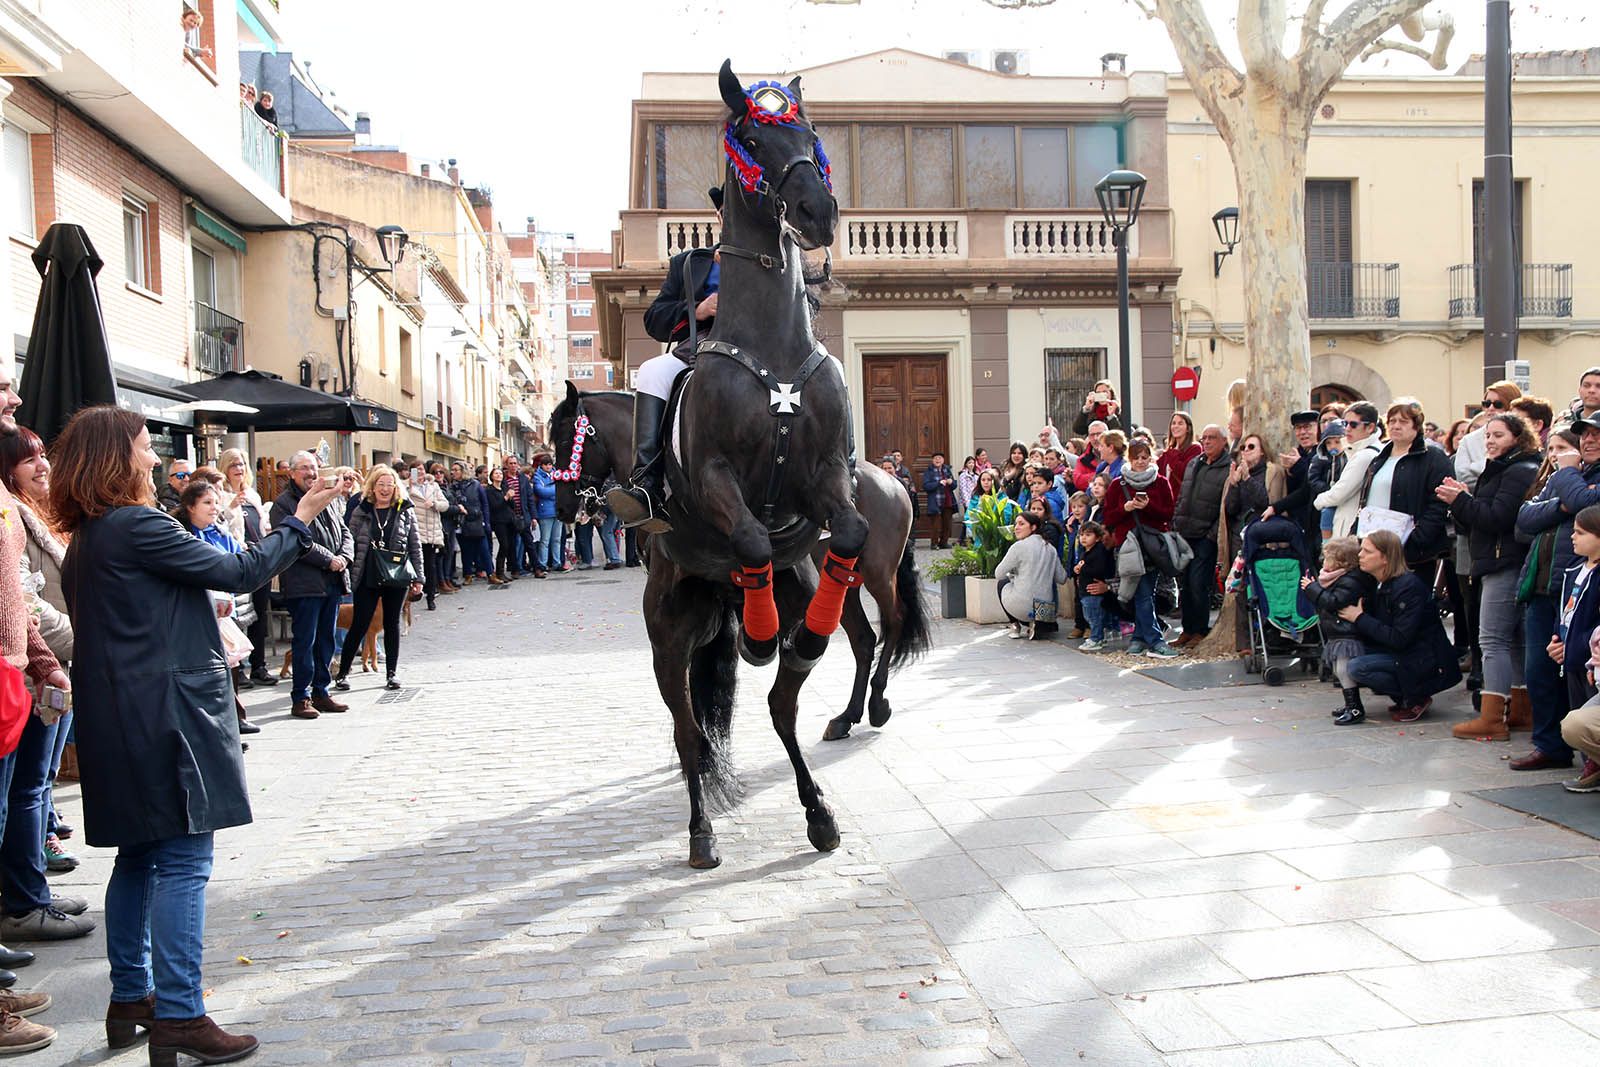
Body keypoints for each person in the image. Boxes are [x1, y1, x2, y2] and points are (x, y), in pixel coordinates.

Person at [51, 404, 341, 1066]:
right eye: (142, 447)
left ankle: (134, 997)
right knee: (182, 859)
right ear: (115, 458)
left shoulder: (95, 535)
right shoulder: (137, 526)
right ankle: (180, 1011)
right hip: (166, 716)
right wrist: (299, 519)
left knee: (139, 857)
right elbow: (239, 573)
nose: (153, 457)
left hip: (123, 715)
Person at [610, 187, 723, 530]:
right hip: (702, 345)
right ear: (720, 217)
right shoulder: (689, 264)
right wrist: (698, 309)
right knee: (651, 371)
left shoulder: (778, 260)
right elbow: (655, 318)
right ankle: (647, 486)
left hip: (763, 348)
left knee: (829, 366)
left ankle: (837, 480)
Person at [1, 430, 79, 873]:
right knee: (27, 787)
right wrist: (81, 638)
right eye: (29, 460)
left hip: (53, 665)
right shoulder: (12, 518)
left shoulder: (43, 517)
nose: (43, 466)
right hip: (30, 672)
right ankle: (26, 893)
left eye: (43, 456)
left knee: (40, 782)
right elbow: (24, 603)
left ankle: (31, 884)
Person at [1439, 412, 1542, 741]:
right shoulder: (1503, 468)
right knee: (1510, 642)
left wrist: (1462, 500)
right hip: (1497, 561)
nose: (1490, 441)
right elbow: (1475, 520)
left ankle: (1493, 718)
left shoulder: (1518, 470)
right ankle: (1521, 711)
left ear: (1517, 437)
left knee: (1492, 641)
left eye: (1498, 435)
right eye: (1487, 436)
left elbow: (1498, 518)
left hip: (1505, 562)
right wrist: (1461, 502)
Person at [1514, 425, 1600, 771]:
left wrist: (1567, 478)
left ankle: (1588, 755)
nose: (1589, 441)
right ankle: (1549, 745)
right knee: (1538, 670)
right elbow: (1523, 520)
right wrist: (1564, 499)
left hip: (1584, 585)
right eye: (1586, 436)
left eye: (1597, 435)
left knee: (1580, 668)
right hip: (1543, 584)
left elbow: (1585, 505)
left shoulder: (1568, 471)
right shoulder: (1573, 474)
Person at [1337, 530, 1462, 722]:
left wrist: (1360, 618)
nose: (1360, 555)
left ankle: (1415, 697)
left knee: (1357, 667)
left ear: (1385, 558)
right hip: (1406, 654)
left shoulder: (1407, 587)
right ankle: (1404, 697)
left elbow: (1400, 638)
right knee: (1343, 652)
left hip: (1425, 660)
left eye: (1367, 551)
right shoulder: (1380, 583)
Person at [269, 451, 352, 720]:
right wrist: (329, 559)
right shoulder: (283, 504)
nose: (311, 473)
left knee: (326, 640)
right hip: (304, 584)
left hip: (331, 582)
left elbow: (345, 530)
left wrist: (344, 557)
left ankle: (321, 690)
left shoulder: (326, 498)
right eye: (304, 468)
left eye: (314, 468)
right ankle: (301, 697)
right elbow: (296, 540)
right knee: (306, 641)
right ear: (292, 473)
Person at [334, 466, 424, 691]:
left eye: (389, 484)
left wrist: (419, 578)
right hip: (368, 572)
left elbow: (415, 544)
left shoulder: (405, 510)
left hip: (397, 573)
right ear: (372, 487)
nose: (385, 489)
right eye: (380, 484)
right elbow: (349, 540)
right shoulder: (361, 510)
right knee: (360, 622)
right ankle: (343, 673)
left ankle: (391, 674)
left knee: (391, 623)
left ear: (396, 487)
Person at [1101, 438, 1179, 659]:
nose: (1141, 462)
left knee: (1145, 592)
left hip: (1152, 545)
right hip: (1127, 545)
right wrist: (1125, 508)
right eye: (1137, 458)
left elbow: (1168, 513)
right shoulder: (1118, 484)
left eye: (1145, 457)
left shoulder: (1161, 482)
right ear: (1130, 459)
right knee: (1136, 592)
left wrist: (1149, 507)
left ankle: (1148, 639)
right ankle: (1146, 638)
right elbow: (1108, 517)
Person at [1358, 398, 1453, 566]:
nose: (1395, 426)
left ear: (1416, 425)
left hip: (1411, 551)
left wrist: (1416, 537)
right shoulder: (1379, 458)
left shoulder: (1433, 458)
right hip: (1373, 547)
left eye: (1403, 421)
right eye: (1392, 421)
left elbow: (1440, 503)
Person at [216, 449, 274, 691]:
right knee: (240, 615)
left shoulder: (252, 495)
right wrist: (230, 506)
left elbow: (260, 525)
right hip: (238, 560)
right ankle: (239, 668)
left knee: (259, 614)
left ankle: (259, 665)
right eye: (233, 465)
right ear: (225, 469)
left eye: (241, 464)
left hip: (258, 558)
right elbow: (218, 524)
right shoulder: (220, 495)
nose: (238, 469)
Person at [1301, 536, 1375, 724]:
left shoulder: (1350, 581)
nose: (1323, 562)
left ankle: (1355, 708)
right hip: (1338, 632)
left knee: (1344, 670)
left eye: (1327, 559)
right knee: (1338, 669)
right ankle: (1349, 703)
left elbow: (1333, 602)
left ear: (1340, 562)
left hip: (1347, 633)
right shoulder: (1337, 579)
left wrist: (1312, 589)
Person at [1172, 423, 1231, 647]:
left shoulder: (1227, 467)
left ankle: (1200, 629)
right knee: (1185, 584)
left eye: (1212, 438)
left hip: (1205, 535)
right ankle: (1188, 629)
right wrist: (1177, 522)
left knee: (1199, 584)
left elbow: (1225, 506)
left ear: (1223, 441)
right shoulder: (1194, 463)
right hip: (1185, 533)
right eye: (1204, 438)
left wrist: (1211, 534)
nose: (1206, 442)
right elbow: (1183, 496)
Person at [1314, 401, 1384, 539]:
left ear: (1370, 427)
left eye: (1353, 424)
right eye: (1345, 424)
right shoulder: (1365, 450)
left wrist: (1319, 501)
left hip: (1351, 528)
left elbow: (1339, 493)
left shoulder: (1365, 455)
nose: (1347, 429)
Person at [995, 510, 1066, 640]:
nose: (1016, 527)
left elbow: (998, 574)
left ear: (1033, 527)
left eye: (1021, 524)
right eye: (1016, 524)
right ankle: (1035, 623)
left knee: (1002, 583)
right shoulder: (1050, 548)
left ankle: (1015, 625)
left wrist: (1013, 574)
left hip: (1022, 607)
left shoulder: (1019, 547)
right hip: (1045, 610)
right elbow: (1062, 578)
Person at [408, 463, 449, 610]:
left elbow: (445, 505)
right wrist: (409, 486)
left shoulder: (433, 486)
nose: (419, 472)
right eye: (416, 470)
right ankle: (411, 596)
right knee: (413, 567)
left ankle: (431, 597)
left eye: (421, 469)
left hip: (430, 533)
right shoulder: (407, 487)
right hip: (414, 533)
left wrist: (434, 504)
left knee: (430, 567)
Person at [1073, 521, 1115, 651]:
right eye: (1081, 535)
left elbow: (1098, 569)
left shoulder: (1098, 552)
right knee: (1089, 615)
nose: (1083, 538)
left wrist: (1083, 568)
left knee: (1094, 616)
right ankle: (1099, 637)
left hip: (1093, 592)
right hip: (1085, 591)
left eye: (1088, 535)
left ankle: (1096, 638)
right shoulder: (1086, 552)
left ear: (1097, 538)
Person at [447, 461, 490, 585]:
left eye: (456, 470)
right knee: (466, 550)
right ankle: (468, 575)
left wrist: (486, 521)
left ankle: (490, 573)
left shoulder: (475, 484)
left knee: (484, 548)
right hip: (460, 522)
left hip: (476, 520)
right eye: (452, 470)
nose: (453, 472)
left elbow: (484, 503)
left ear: (463, 471)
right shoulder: (452, 487)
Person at [964, 468, 1016, 546]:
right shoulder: (976, 497)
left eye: (989, 480)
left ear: (994, 481)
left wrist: (993, 526)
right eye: (983, 480)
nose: (986, 482)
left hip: (997, 537)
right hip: (980, 537)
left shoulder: (1001, 497)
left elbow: (1006, 515)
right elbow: (968, 515)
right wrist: (977, 527)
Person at [485, 468, 519, 584]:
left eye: (500, 473)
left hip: (509, 520)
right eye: (496, 473)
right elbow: (494, 506)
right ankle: (499, 571)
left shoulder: (504, 488)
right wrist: (505, 498)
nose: (499, 475)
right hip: (498, 521)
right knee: (504, 545)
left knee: (509, 545)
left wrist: (511, 498)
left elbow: (512, 506)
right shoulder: (489, 490)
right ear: (492, 476)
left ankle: (503, 571)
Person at [1158, 413, 1201, 499]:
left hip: (1182, 500)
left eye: (1180, 423)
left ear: (1188, 428)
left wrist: (1174, 452)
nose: (1175, 426)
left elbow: (1183, 472)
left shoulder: (1195, 448)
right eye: (1173, 423)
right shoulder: (1168, 451)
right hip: (1167, 501)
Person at [531, 454, 559, 577]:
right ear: (541, 466)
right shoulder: (537, 477)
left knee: (556, 539)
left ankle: (557, 562)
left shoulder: (556, 474)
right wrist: (556, 489)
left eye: (550, 464)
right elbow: (541, 491)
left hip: (558, 510)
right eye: (546, 465)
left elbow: (551, 491)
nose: (549, 467)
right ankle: (542, 564)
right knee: (545, 540)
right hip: (545, 512)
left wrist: (551, 490)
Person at [922, 452, 956, 550]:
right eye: (936, 458)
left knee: (947, 524)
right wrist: (938, 483)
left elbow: (954, 486)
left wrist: (951, 482)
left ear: (943, 460)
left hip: (947, 500)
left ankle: (944, 542)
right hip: (935, 501)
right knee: (935, 525)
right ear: (933, 460)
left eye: (940, 458)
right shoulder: (929, 471)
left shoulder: (947, 470)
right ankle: (934, 543)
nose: (938, 460)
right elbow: (926, 486)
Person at [1555, 367, 1600, 433]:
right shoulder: (1563, 424)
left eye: (1599, 386)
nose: (1591, 390)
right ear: (1579, 390)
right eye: (1586, 386)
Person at [1072, 422, 1106, 491]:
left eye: (1099, 434)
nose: (1096, 438)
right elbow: (1078, 481)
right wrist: (1102, 475)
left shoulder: (1115, 455)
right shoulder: (1082, 459)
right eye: (1092, 435)